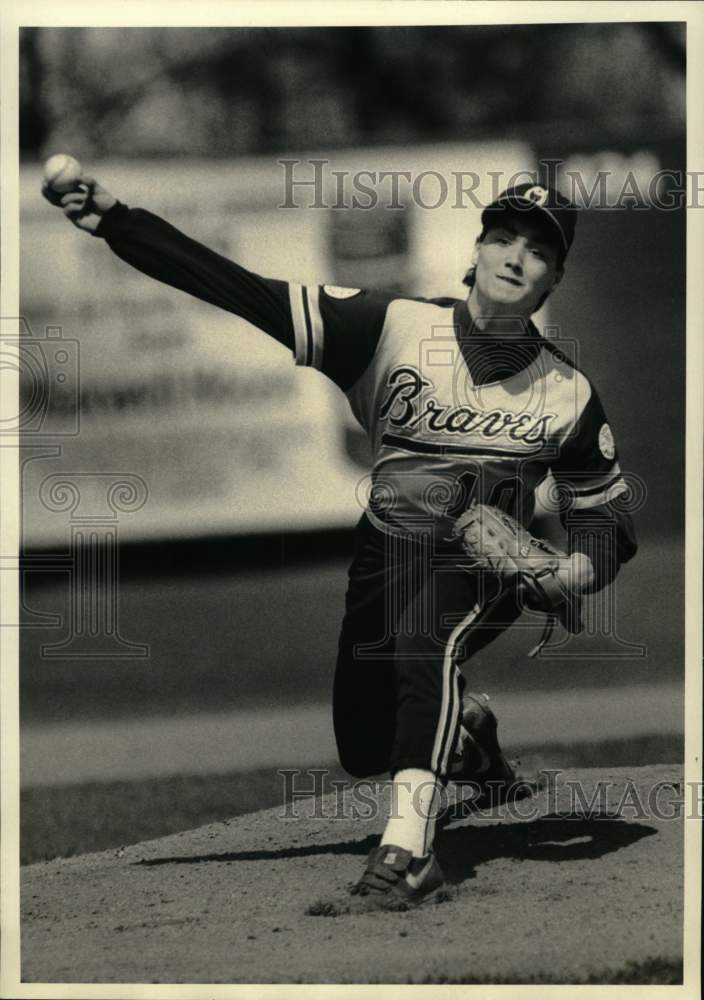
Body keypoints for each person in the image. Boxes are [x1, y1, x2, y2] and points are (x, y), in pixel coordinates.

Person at [42, 174, 637, 913]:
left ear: (555, 278)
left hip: (486, 568)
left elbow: (608, 520)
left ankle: (408, 858)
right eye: (505, 238)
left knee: (428, 638)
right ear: (476, 251)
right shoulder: (389, 328)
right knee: (365, 746)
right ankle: (468, 741)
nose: (518, 257)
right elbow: (240, 289)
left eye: (541, 250)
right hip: (385, 551)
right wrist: (117, 223)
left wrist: (577, 569)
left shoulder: (566, 392)